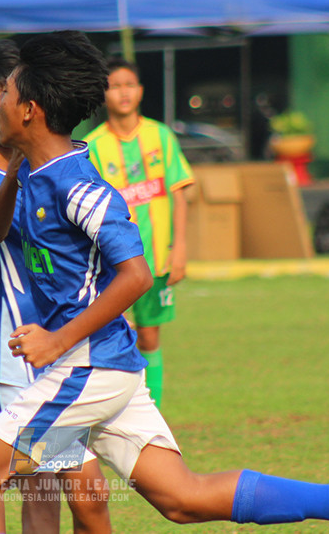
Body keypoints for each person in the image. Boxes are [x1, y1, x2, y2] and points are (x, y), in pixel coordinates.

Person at [0, 31, 329, 534]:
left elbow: (137, 275)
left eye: (7, 94)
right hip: (104, 368)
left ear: (30, 110)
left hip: (86, 368)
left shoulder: (78, 186)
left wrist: (57, 339)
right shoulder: (37, 176)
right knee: (181, 498)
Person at [0, 39, 112, 533]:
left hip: (57, 344)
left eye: (9, 93)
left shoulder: (52, 167)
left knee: (86, 494)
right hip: (2, 353)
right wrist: (16, 173)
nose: (5, 106)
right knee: (33, 485)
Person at [85, 58, 193, 410]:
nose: (123, 93)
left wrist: (179, 249)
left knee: (149, 336)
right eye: (115, 86)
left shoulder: (161, 136)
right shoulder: (92, 146)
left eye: (129, 85)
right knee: (118, 337)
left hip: (157, 258)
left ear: (141, 91)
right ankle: (117, 409)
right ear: (103, 94)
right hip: (115, 263)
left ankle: (153, 409)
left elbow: (179, 194)